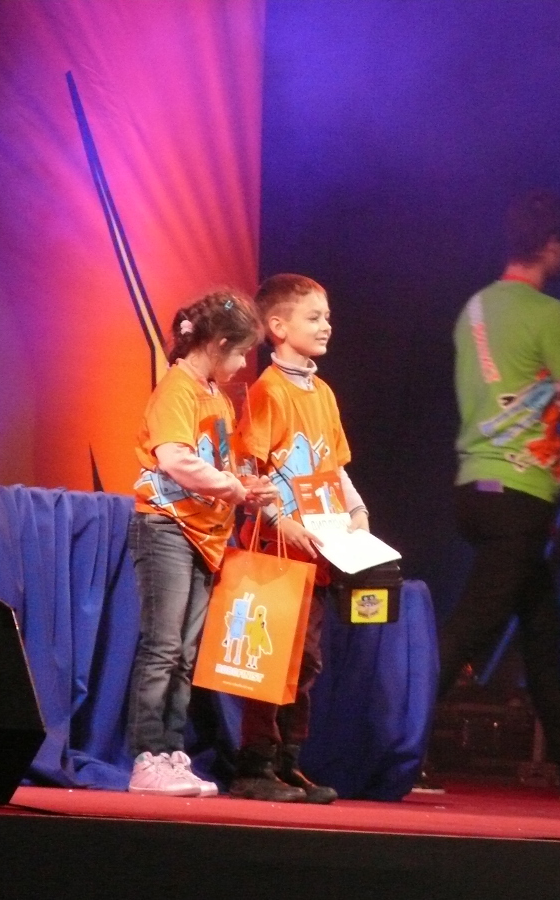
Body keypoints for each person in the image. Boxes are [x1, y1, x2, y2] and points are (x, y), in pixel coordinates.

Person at [441, 189, 560, 805]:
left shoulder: (472, 309)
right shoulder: (548, 314)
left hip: (475, 487)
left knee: (543, 630)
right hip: (518, 493)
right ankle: (390, 739)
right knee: (469, 629)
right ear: (551, 245)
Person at [125, 290, 277, 796]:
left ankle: (173, 752)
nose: (242, 364)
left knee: (186, 653)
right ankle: (147, 756)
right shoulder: (177, 389)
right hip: (167, 527)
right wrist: (233, 488)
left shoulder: (217, 396)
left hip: (205, 533)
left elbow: (221, 464)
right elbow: (176, 458)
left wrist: (247, 487)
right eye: (240, 352)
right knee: (163, 647)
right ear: (217, 343)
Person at [228, 273, 368, 804]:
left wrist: (356, 510)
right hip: (274, 549)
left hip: (316, 551)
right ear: (278, 327)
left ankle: (288, 761)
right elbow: (248, 467)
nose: (326, 325)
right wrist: (278, 518)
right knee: (269, 657)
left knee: (304, 661)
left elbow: (333, 466)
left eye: (327, 316)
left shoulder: (322, 393)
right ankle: (255, 763)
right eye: (314, 317)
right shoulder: (268, 391)